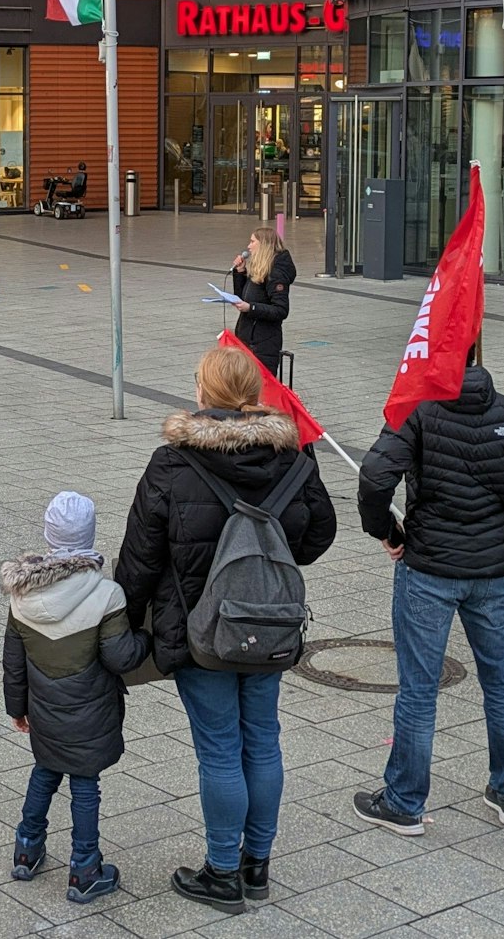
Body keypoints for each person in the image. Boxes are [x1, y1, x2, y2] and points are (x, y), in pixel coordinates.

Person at [115, 346, 336, 912]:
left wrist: (124, 625)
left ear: (204, 393)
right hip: (269, 625)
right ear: (256, 396)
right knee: (262, 740)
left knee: (219, 749)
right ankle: (256, 867)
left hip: (197, 631)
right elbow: (319, 537)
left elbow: (138, 558)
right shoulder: (294, 458)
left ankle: (220, 872)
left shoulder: (172, 462)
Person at [353, 348, 504, 835]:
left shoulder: (419, 409)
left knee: (419, 689)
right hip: (494, 567)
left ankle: (404, 802)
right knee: (503, 680)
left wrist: (387, 531)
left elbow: (375, 476)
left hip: (431, 569)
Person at [4, 492, 146, 904]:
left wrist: (17, 707)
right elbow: (120, 657)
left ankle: (27, 848)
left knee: (44, 772)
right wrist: (145, 640)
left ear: (49, 535)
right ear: (90, 534)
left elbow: (13, 661)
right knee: (85, 786)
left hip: (44, 711)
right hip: (91, 712)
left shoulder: (22, 595)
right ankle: (85, 868)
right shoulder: (106, 595)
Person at [227, 229, 295, 378]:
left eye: (252, 242)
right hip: (247, 339)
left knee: (260, 392)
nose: (248, 246)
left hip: (263, 344)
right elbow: (243, 298)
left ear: (263, 245)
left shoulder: (276, 273)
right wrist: (240, 272)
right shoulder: (259, 268)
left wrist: (251, 308)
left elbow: (281, 310)